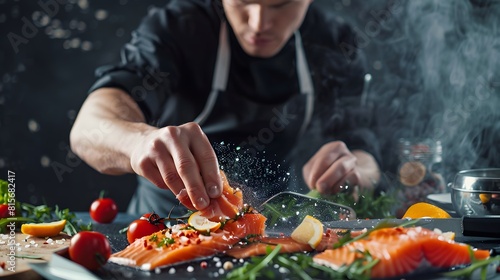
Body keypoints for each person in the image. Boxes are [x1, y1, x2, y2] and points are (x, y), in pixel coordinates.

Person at [70, 0, 381, 217]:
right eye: (242, 1)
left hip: (275, 230)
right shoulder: (179, 28)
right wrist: (137, 140)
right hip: (162, 223)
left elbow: (361, 144)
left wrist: (356, 169)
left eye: (281, 4)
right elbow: (87, 130)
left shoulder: (334, 41)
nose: (259, 23)